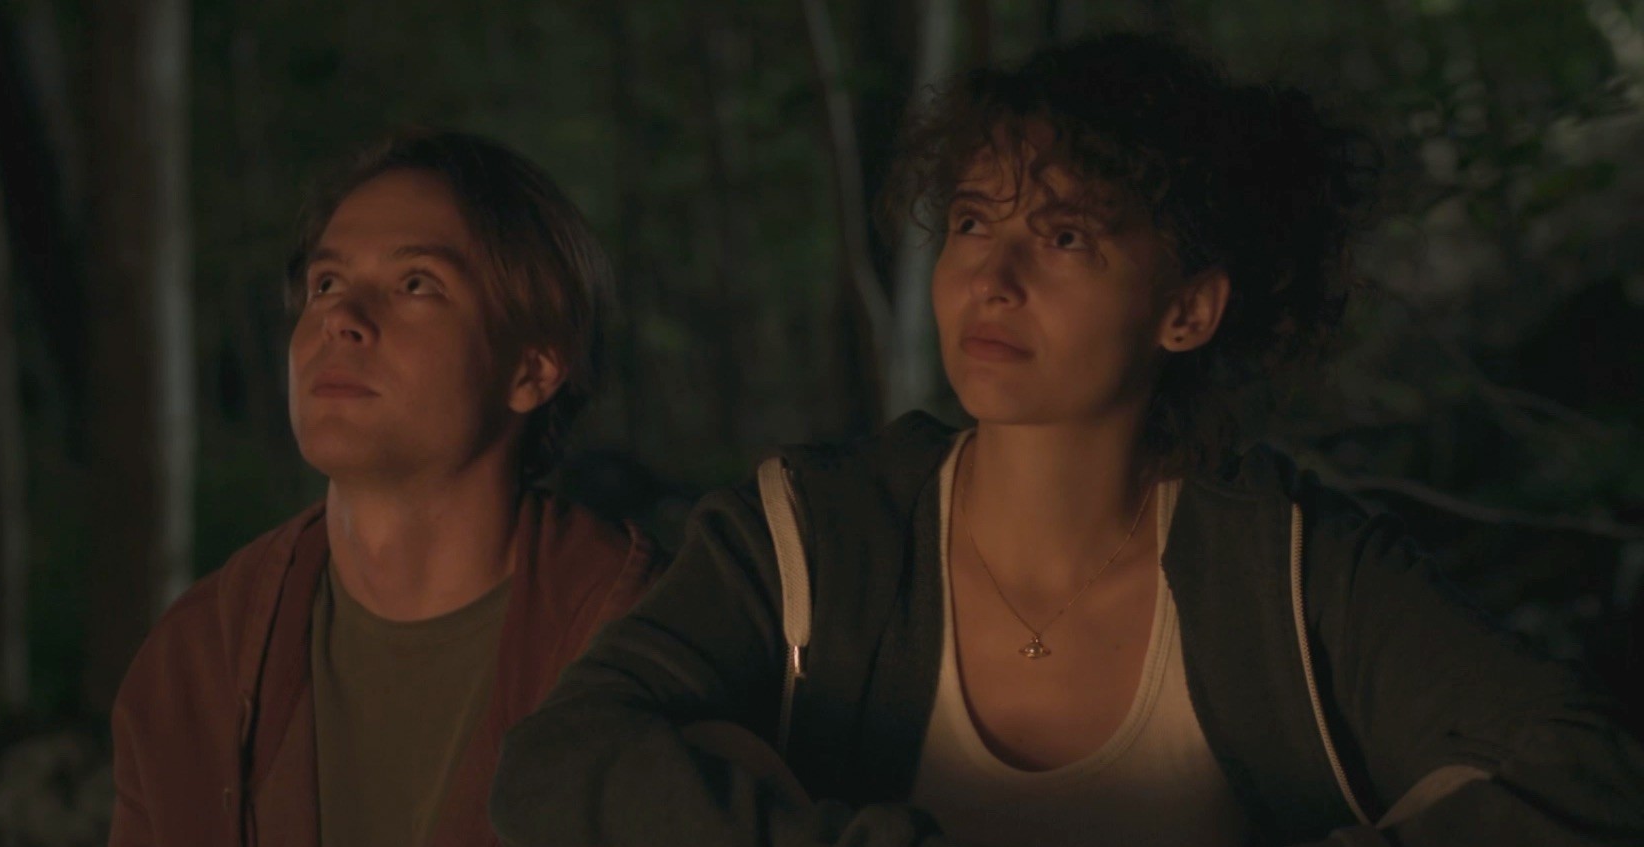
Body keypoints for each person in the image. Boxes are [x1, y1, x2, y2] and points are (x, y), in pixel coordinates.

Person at [489, 33, 1644, 847]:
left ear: (1188, 309)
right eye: (975, 222)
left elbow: (1590, 777)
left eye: (1066, 235)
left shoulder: (1286, 566)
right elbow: (561, 763)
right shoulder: (810, 535)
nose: (990, 275)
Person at [107, 130, 654, 847]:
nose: (340, 317)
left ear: (533, 367)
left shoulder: (647, 642)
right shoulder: (201, 657)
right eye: (326, 284)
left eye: (415, 284)